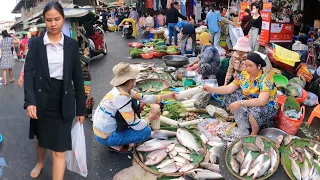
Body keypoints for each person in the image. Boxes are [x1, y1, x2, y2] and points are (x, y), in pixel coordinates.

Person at [23, 2, 86, 179]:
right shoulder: (35, 44)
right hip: (41, 97)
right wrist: (30, 101)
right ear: (44, 21)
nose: (53, 24)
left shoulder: (72, 45)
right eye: (49, 20)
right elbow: (28, 73)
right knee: (41, 137)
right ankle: (40, 162)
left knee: (59, 150)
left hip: (64, 98)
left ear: (63, 19)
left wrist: (81, 107)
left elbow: (78, 77)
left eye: (57, 19)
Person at [93, 62, 177, 153]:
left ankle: (118, 139)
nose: (135, 79)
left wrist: (168, 95)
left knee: (134, 101)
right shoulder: (121, 98)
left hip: (101, 131)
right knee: (145, 131)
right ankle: (114, 145)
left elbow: (144, 98)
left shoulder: (122, 90)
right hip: (105, 136)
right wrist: (150, 118)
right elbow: (137, 126)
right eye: (134, 78)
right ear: (130, 81)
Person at [203, 52, 278, 135]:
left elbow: (262, 101)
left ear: (259, 66)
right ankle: (234, 116)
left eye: (251, 66)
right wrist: (211, 89)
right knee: (231, 94)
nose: (247, 68)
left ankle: (254, 132)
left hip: (267, 105)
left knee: (253, 112)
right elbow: (228, 88)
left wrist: (240, 103)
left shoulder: (266, 78)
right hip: (250, 98)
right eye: (246, 65)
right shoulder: (244, 74)